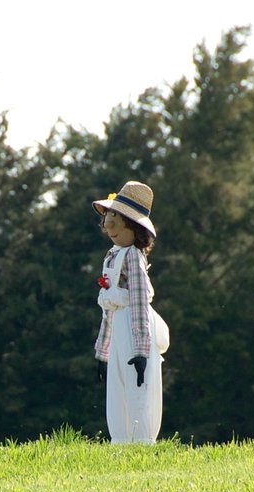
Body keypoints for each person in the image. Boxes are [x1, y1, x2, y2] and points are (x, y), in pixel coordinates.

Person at [92, 181, 169, 444]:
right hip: (117, 333)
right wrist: (103, 352)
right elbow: (108, 311)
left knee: (138, 392)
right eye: (108, 219)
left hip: (135, 332)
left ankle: (141, 443)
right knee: (117, 391)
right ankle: (121, 443)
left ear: (133, 227)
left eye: (117, 219)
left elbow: (137, 303)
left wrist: (140, 350)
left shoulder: (133, 258)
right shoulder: (112, 256)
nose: (110, 226)